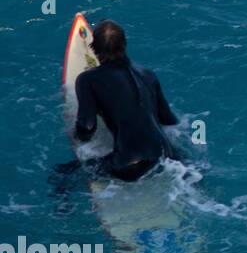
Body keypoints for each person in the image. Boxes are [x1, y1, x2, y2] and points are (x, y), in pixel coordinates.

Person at [73, 20, 179, 181]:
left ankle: (62, 206)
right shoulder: (147, 74)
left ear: (94, 48)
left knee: (64, 173)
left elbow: (87, 127)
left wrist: (80, 141)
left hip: (128, 164)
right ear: (125, 44)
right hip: (167, 157)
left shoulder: (87, 79)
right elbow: (168, 120)